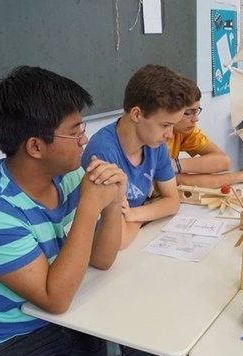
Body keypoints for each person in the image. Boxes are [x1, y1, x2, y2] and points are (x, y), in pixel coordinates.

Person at [0, 66, 178, 356]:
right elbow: (54, 299)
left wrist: (114, 200)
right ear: (35, 146)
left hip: (66, 315)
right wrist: (88, 208)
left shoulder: (67, 178)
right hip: (5, 342)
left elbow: (102, 260)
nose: (85, 140)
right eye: (75, 132)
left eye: (82, 127)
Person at [82, 64, 191, 249]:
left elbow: (172, 202)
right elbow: (118, 240)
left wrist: (133, 215)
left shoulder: (154, 144)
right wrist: (148, 214)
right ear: (137, 114)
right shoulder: (102, 152)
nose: (170, 134)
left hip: (137, 241)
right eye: (165, 125)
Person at [167, 75, 243, 188]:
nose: (196, 119)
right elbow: (183, 181)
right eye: (189, 113)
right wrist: (242, 176)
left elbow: (224, 161)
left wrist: (175, 165)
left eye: (196, 111)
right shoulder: (152, 140)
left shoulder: (185, 130)